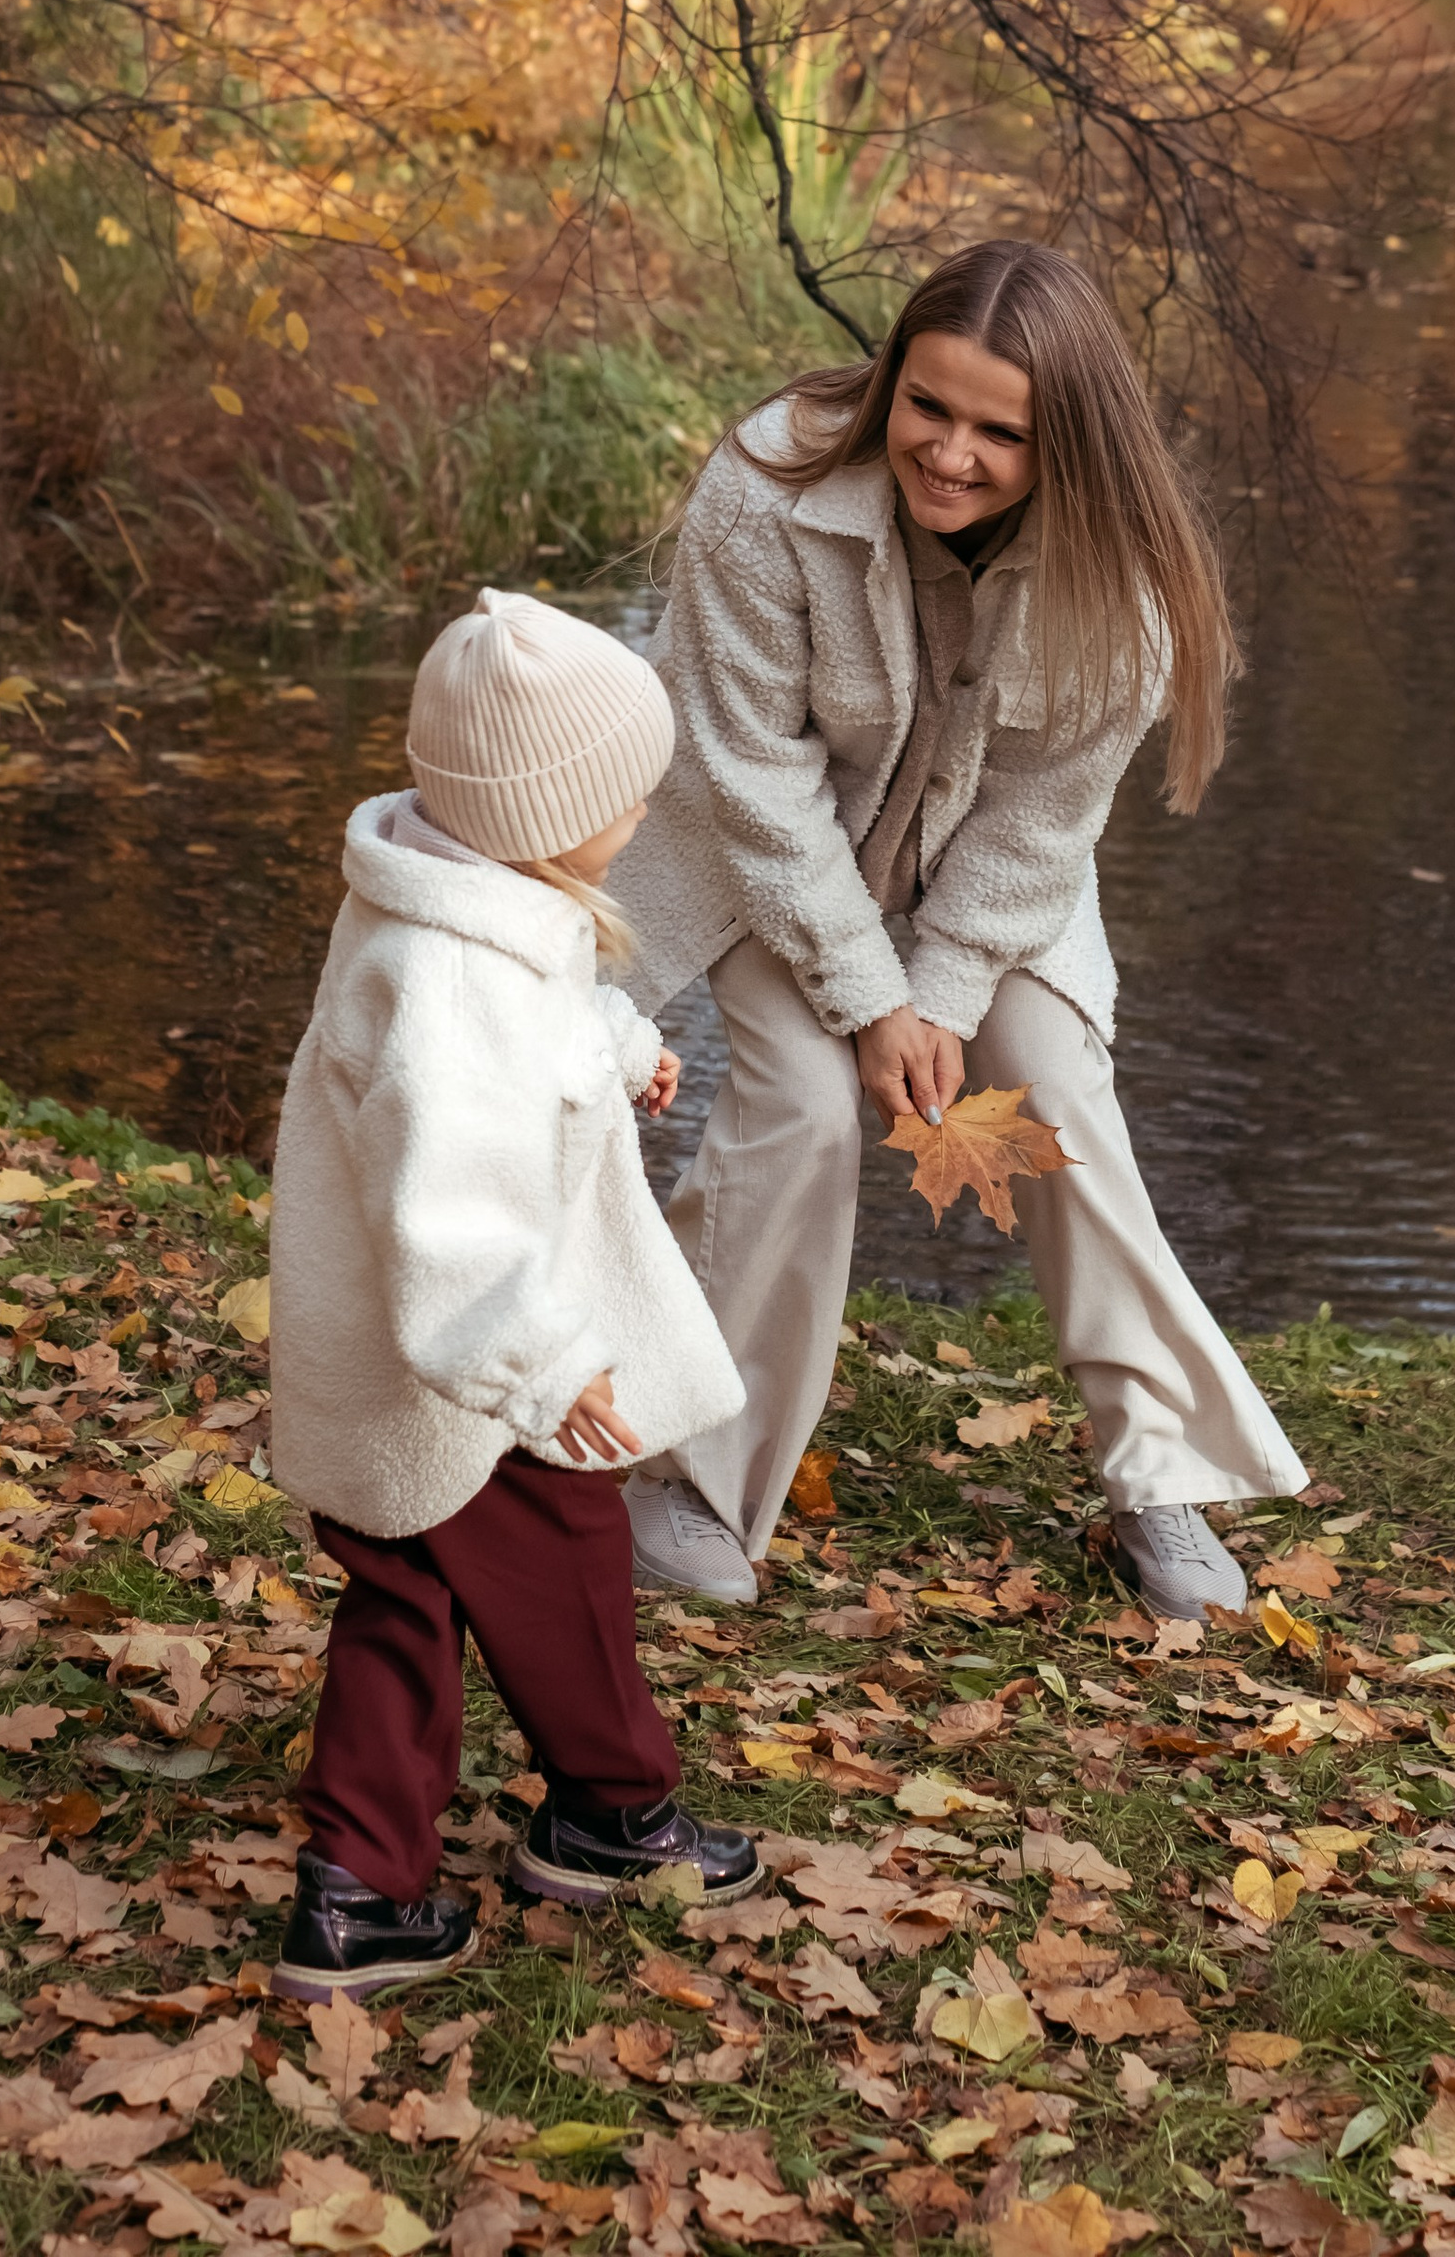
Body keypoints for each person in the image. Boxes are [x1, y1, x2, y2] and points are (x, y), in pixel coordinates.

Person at [612, 238, 1305, 1618]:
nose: (953, 455)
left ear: (1073, 441)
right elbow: (753, 776)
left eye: (1004, 431)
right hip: (770, 854)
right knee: (805, 1107)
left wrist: (941, 985)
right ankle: (689, 1467)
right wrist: (872, 1004)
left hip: (989, 885)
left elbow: (1044, 823)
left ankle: (1155, 1476)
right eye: (930, 406)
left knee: (1054, 1093)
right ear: (892, 383)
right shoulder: (767, 487)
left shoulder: (1132, 585)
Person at [265, 586, 758, 2002]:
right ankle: (614, 1815)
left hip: (392, 1370)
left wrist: (614, 1045)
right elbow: (454, 1205)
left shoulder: (445, 892)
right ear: (546, 813)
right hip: (475, 1376)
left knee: (403, 1609)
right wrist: (542, 1369)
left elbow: (534, 1014)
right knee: (575, 1580)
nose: (643, 816)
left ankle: (355, 1894)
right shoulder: (450, 984)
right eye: (627, 797)